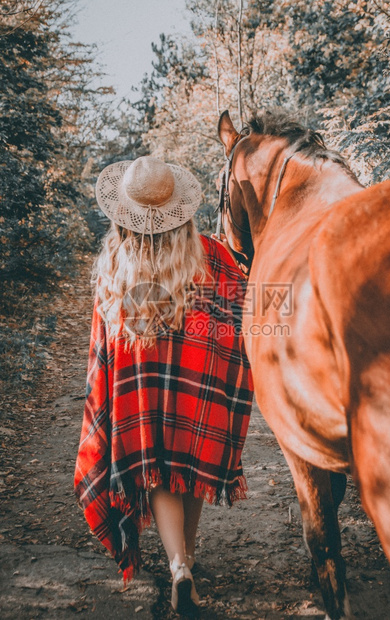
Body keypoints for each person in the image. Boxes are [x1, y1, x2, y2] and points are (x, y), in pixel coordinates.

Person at [74, 155, 253, 615]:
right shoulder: (213, 256)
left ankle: (180, 566)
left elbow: (103, 344)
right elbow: (242, 315)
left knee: (159, 468)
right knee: (188, 463)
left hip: (140, 385)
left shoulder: (114, 261)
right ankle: (184, 561)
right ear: (180, 209)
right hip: (199, 382)